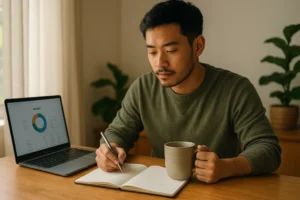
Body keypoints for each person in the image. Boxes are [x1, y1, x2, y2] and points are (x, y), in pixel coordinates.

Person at [96, 0, 281, 184]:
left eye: (170, 50)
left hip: (219, 191)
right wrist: (110, 148)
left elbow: (268, 149)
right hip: (161, 189)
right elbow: (118, 132)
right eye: (152, 52)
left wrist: (227, 167)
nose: (160, 63)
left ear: (198, 46)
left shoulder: (236, 89)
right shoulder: (143, 88)